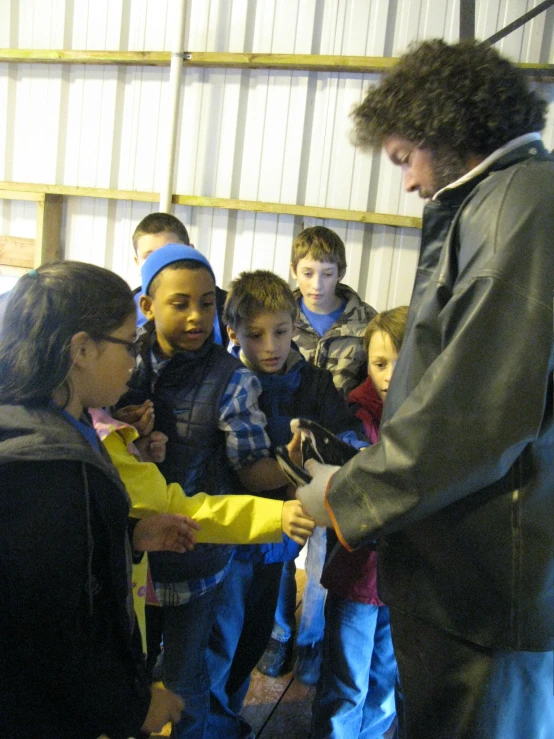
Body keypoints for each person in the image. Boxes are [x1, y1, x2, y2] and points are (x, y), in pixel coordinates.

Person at [296, 39, 554, 739]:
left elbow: (472, 418)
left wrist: (340, 496)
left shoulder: (520, 214)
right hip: (479, 576)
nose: (407, 183)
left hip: (486, 590)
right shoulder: (503, 205)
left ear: (446, 129)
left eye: (404, 157)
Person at [0, 261, 186, 739]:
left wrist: (128, 536)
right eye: (131, 344)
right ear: (82, 349)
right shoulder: (49, 467)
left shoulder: (46, 418)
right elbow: (54, 633)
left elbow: (51, 563)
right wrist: (136, 707)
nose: (135, 361)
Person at [118, 245, 293, 739]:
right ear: (147, 307)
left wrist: (294, 460)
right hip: (130, 557)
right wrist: (117, 425)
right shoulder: (121, 364)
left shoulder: (232, 379)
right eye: (180, 303)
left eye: (207, 302)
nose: (196, 315)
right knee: (131, 673)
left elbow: (251, 471)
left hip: (197, 559)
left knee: (186, 678)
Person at [206, 269, 366, 738]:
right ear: (234, 333)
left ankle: (230, 717)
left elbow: (344, 431)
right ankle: (212, 724)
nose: (271, 346)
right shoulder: (221, 378)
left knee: (254, 635)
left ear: (294, 324)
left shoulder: (312, 382)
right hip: (229, 534)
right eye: (255, 336)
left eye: (280, 332)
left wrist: (345, 449)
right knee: (221, 638)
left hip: (281, 537)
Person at [89, 406, 315, 651]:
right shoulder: (99, 434)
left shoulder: (81, 425)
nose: (131, 365)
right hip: (125, 605)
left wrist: (134, 454)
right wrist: (274, 514)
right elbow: (173, 508)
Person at [258, 226, 377, 685]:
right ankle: (279, 632)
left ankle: (310, 640)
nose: (316, 282)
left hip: (336, 455)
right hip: (283, 450)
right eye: (307, 272)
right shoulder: (280, 315)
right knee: (279, 547)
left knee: (324, 554)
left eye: (326, 273)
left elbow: (370, 383)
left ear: (340, 273)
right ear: (294, 270)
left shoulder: (365, 322)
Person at [312, 306, 408, 739]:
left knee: (386, 677)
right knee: (348, 681)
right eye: (379, 362)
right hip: (357, 573)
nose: (388, 375)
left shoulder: (429, 420)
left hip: (402, 579)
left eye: (400, 362)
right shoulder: (355, 416)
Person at [132, 211, 227, 343]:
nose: (163, 264)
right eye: (150, 257)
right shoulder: (120, 310)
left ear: (191, 251)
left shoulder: (228, 306)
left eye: (174, 253)